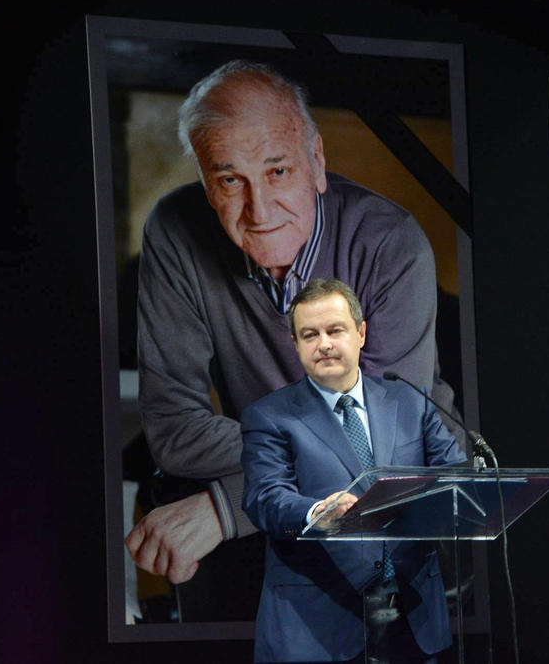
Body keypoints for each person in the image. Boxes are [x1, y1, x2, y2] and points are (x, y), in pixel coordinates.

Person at [125, 60, 460, 617]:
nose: (258, 211)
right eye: (230, 180)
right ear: (206, 183)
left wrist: (227, 509)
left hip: (404, 503)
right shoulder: (175, 231)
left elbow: (387, 452)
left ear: (317, 162)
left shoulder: (389, 241)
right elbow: (174, 428)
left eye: (278, 171)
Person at [242, 279, 465, 662]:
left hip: (414, 617)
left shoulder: (410, 401)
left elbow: (454, 475)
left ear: (361, 334)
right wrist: (316, 513)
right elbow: (265, 498)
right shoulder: (269, 416)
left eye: (335, 330)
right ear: (295, 344)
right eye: (310, 335)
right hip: (318, 626)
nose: (324, 344)